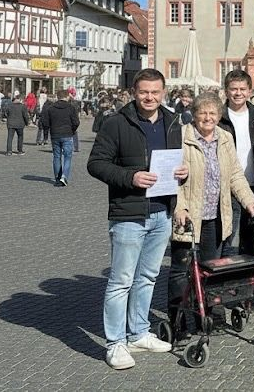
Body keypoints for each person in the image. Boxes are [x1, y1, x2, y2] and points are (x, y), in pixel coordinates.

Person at [86, 68, 188, 370]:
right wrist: (131, 177)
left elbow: (173, 162)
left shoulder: (172, 121)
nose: (150, 97)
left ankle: (138, 332)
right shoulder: (116, 123)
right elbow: (96, 164)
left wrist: (182, 174)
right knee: (120, 282)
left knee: (147, 278)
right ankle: (115, 343)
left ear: (163, 91)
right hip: (128, 212)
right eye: (144, 92)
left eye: (155, 92)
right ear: (134, 91)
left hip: (161, 211)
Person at [167, 93, 254, 325]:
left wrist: (250, 200)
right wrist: (179, 207)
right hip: (188, 215)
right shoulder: (181, 136)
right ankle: (177, 319)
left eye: (213, 113)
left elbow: (236, 175)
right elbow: (171, 177)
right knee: (181, 268)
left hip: (217, 215)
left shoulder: (225, 137)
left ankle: (206, 315)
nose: (208, 118)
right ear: (194, 115)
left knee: (210, 268)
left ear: (219, 116)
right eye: (202, 113)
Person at [217, 69, 254, 257]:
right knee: (225, 238)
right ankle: (221, 281)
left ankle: (249, 282)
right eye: (233, 89)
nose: (238, 93)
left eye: (242, 89)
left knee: (253, 240)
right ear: (226, 91)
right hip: (226, 187)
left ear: (250, 91)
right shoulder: (218, 117)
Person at [42, 89, 80, 185]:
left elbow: (45, 122)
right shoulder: (71, 108)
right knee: (67, 156)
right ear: (67, 96)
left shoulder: (50, 108)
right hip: (67, 134)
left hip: (55, 134)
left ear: (57, 97)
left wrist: (50, 129)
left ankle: (58, 177)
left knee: (56, 156)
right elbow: (76, 122)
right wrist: (72, 130)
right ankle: (64, 176)